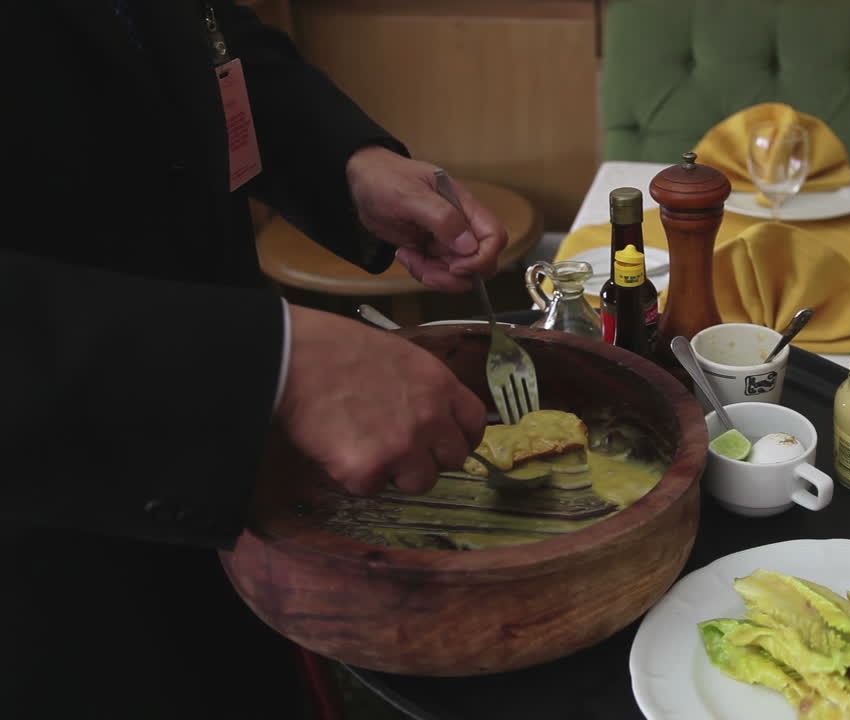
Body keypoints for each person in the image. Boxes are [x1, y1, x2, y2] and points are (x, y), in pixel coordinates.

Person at [1, 2, 508, 717]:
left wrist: (347, 161)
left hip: (236, 493)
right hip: (49, 559)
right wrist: (271, 362)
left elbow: (186, 31)